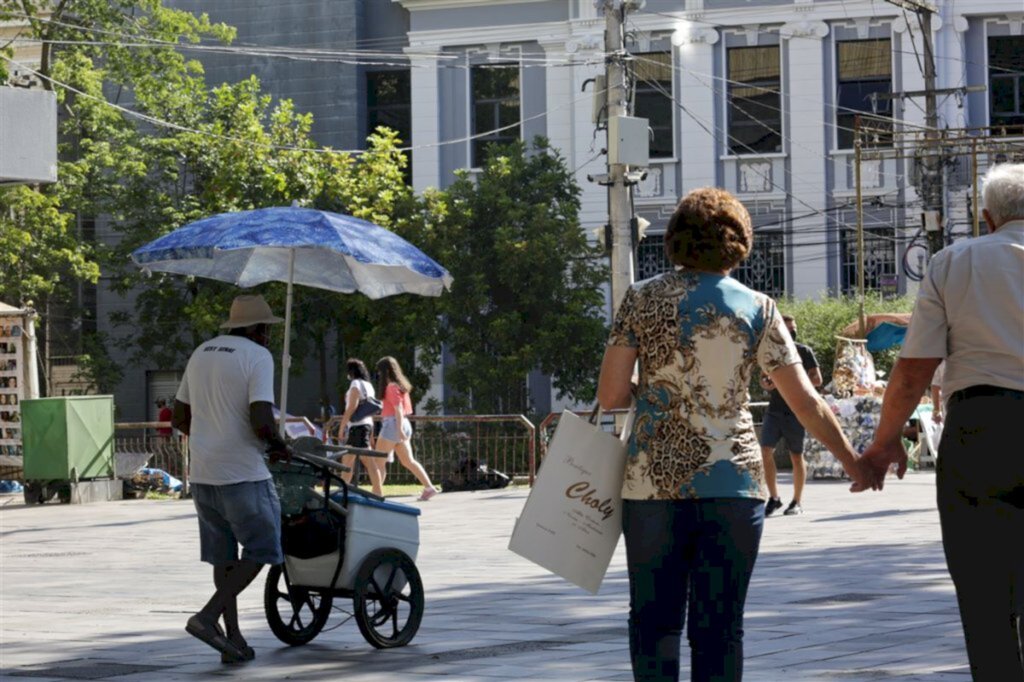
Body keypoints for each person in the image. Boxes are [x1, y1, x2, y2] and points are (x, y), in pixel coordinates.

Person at [597, 187, 871, 682]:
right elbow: (805, 401)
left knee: (653, 624)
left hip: (652, 487)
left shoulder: (640, 299)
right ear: (737, 242)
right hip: (734, 485)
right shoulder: (759, 307)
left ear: (675, 239)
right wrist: (853, 461)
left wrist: (656, 388)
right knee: (721, 628)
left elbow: (612, 395)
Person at [860, 163, 1024, 681]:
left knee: (985, 594)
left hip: (982, 430)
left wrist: (885, 443)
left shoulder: (955, 262)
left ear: (986, 217)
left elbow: (913, 371)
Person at [172, 294, 291, 665]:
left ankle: (233, 640)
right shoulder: (257, 357)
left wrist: (212, 435)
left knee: (224, 557)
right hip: (243, 472)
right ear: (257, 330)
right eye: (266, 329)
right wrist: (277, 444)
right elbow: (260, 416)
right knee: (263, 548)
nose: (268, 337)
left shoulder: (202, 352)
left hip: (203, 473)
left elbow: (179, 417)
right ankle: (208, 618)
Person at [759, 315, 822, 516]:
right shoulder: (770, 351)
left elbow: (817, 379)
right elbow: (763, 379)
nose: (791, 332)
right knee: (765, 450)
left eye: (793, 329)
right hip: (775, 410)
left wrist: (795, 384)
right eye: (787, 329)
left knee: (796, 455)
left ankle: (797, 501)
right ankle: (774, 497)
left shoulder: (804, 351)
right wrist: (767, 384)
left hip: (796, 410)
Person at [375, 356, 439, 501]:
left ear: (385, 371)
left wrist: (399, 430)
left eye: (379, 371)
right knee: (408, 461)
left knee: (377, 462)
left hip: (393, 425)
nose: (378, 374)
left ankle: (376, 493)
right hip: (403, 423)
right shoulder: (400, 385)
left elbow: (397, 409)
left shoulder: (391, 387)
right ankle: (429, 487)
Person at [336, 358, 384, 496]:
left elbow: (352, 406)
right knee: (348, 461)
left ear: (351, 372)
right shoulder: (368, 386)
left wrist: (342, 426)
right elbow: (370, 411)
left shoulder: (355, 384)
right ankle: (343, 489)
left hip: (357, 427)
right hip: (365, 426)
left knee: (367, 461)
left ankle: (378, 491)